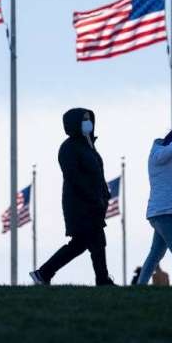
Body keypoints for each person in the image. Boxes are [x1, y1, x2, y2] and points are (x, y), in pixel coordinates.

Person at [30, 109, 115, 286]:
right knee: (95, 240)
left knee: (81, 244)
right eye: (84, 119)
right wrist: (93, 197)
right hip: (79, 205)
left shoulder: (89, 146)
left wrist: (104, 195)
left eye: (89, 119)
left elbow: (97, 174)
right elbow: (73, 177)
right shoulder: (68, 147)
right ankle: (102, 280)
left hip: (94, 203)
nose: (88, 122)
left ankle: (43, 273)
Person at [136, 127, 172, 285]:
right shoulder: (159, 154)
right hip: (163, 212)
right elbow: (170, 150)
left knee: (156, 254)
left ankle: (140, 286)